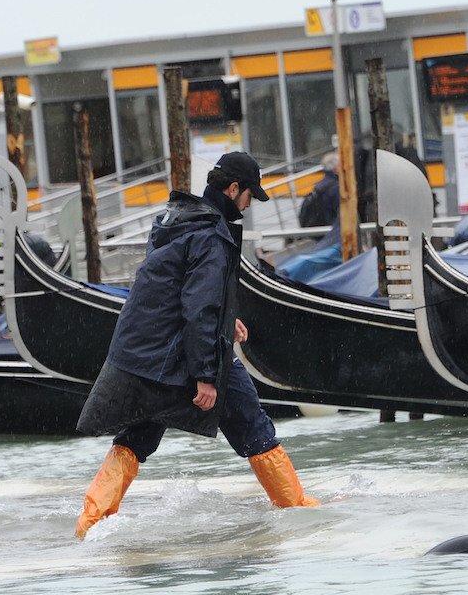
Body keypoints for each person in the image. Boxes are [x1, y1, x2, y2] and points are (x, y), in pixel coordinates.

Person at [74, 151, 319, 538]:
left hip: (148, 353)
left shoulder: (178, 220)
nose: (250, 204)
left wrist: (226, 319)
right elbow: (199, 306)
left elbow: (175, 288)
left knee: (140, 434)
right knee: (252, 422)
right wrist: (206, 375)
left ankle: (89, 525)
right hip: (179, 354)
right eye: (249, 195)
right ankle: (298, 510)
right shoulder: (211, 234)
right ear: (233, 188)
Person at [298, 151, 340, 228]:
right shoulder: (335, 186)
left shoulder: (321, 184)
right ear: (335, 168)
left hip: (319, 226)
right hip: (329, 228)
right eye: (340, 165)